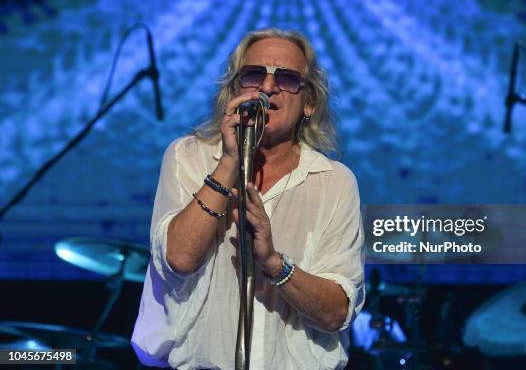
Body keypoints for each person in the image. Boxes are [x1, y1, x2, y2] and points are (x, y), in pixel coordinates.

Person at [132, 28, 365, 369]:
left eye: (286, 79)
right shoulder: (189, 157)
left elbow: (336, 312)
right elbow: (179, 259)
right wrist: (229, 162)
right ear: (235, 89)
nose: (268, 88)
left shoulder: (334, 182)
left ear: (309, 103)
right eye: (254, 75)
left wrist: (273, 263)